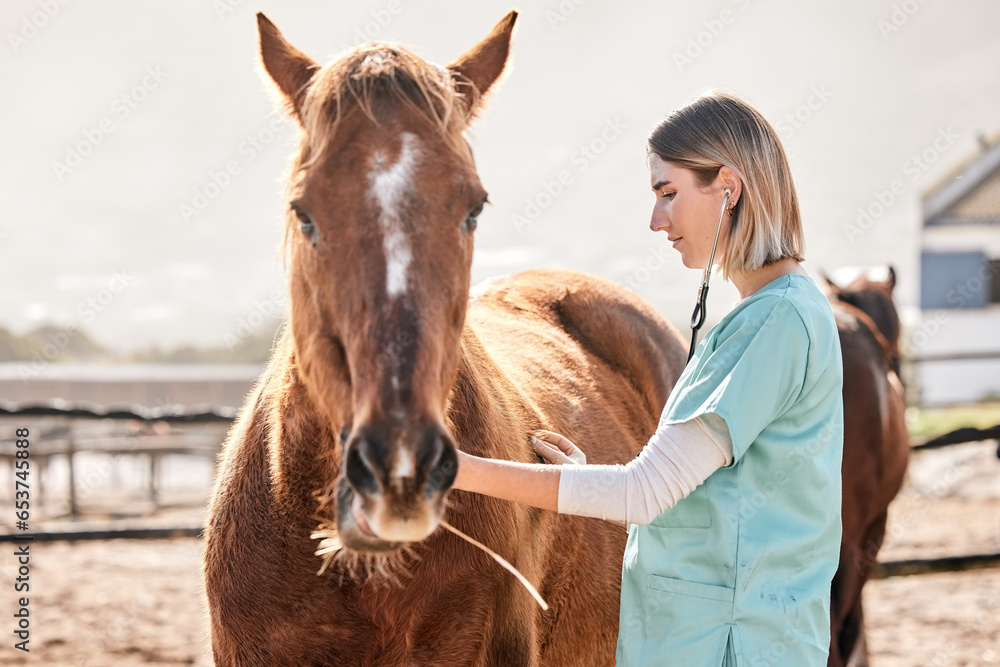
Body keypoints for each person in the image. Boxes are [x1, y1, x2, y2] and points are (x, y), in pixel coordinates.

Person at [453, 91, 844, 666]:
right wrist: (583, 478)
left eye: (669, 193)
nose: (657, 220)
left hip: (731, 646)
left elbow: (644, 492)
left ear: (728, 188)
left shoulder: (775, 322)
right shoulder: (772, 313)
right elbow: (708, 493)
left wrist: (454, 470)